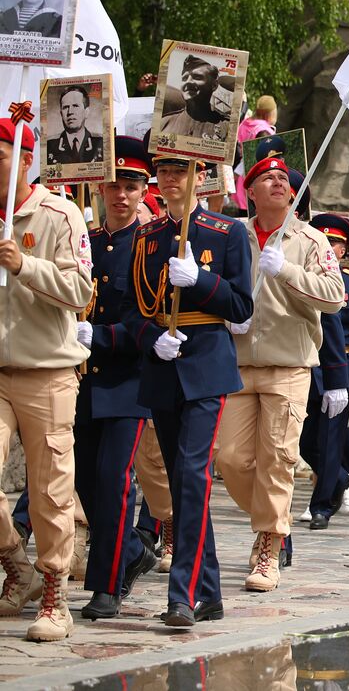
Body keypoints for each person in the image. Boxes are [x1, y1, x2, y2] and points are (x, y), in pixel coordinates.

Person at [127, 151, 253, 628]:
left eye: (179, 171)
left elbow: (241, 307)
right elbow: (131, 307)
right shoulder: (147, 236)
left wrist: (201, 280)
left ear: (200, 177)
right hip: (164, 361)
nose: (170, 179)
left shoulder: (226, 232)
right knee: (184, 480)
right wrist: (149, 337)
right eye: (163, 171)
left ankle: (181, 594)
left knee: (193, 476)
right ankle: (211, 591)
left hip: (206, 364)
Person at [219, 155, 344, 591]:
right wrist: (224, 311)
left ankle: (269, 545)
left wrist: (286, 270)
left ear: (292, 193)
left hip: (289, 364)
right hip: (237, 363)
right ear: (248, 192)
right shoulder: (232, 235)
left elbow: (334, 296)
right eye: (264, 178)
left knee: (277, 457)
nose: (276, 182)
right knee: (230, 459)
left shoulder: (311, 240)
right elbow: (214, 285)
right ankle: (275, 521)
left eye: (282, 179)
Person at [0, 118, 93, 641]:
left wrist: (24, 265)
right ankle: (17, 562)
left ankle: (54, 591)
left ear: (24, 160)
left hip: (47, 371)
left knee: (50, 490)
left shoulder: (60, 214)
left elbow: (80, 290)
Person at [71, 137, 160, 621]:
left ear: (144, 189)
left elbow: (146, 316)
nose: (121, 195)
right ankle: (131, 552)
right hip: (84, 380)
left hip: (128, 381)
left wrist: (99, 335)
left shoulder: (151, 246)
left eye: (131, 186)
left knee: (113, 481)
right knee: (85, 481)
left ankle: (105, 587)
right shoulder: (86, 241)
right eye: (113, 185)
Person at [300, 214, 349, 530]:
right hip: (303, 362)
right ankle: (340, 477)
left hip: (338, 368)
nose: (329, 247)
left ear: (343, 250)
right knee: (303, 442)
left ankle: (321, 506)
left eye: (335, 243)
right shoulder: (298, 277)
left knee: (332, 440)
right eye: (323, 240)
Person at [161, 55, 230, 140]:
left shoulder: (227, 127)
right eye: (185, 78)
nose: (188, 82)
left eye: (197, 77)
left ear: (214, 85)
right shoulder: (164, 123)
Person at [45, 85, 102, 165]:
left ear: (86, 112)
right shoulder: (49, 146)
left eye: (75, 106)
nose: (70, 112)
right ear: (61, 113)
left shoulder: (101, 143)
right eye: (65, 107)